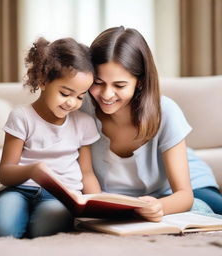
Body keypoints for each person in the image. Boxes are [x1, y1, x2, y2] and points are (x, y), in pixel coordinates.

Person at [81, 26, 222, 222]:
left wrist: (159, 206)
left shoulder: (166, 112)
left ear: (140, 81)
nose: (106, 94)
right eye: (98, 82)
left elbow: (184, 195)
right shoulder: (81, 111)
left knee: (210, 210)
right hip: (119, 197)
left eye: (119, 85)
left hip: (181, 188)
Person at [0, 37, 101, 238]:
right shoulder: (22, 117)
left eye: (79, 96)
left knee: (44, 230)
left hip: (61, 196)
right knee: (2, 229)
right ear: (43, 81)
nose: (72, 103)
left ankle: (24, 221)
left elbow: (87, 173)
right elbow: (5, 173)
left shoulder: (84, 123)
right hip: (17, 191)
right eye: (65, 93)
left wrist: (98, 203)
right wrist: (32, 170)